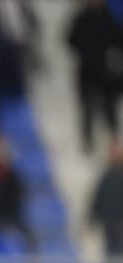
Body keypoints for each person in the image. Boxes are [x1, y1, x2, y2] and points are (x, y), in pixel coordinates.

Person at [66, 0, 121, 152]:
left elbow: (118, 39)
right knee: (87, 108)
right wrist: (85, 53)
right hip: (87, 71)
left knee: (109, 108)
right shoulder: (81, 17)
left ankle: (113, 140)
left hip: (105, 71)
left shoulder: (108, 17)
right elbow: (70, 40)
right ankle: (87, 142)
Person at [90, 139, 123, 257]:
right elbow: (98, 197)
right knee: (111, 254)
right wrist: (92, 218)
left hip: (120, 223)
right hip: (109, 223)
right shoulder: (106, 175)